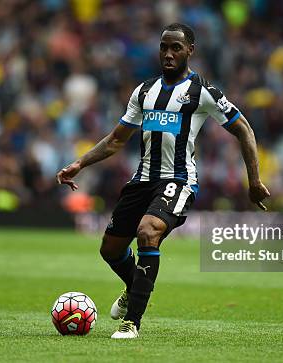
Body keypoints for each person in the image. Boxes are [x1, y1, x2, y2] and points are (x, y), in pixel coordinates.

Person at [56, 23, 270, 339]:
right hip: (142, 180)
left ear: (190, 51)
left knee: (148, 231)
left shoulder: (203, 92)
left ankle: (132, 322)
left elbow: (244, 130)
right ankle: (135, 286)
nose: (168, 54)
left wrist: (253, 180)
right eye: (164, 47)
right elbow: (116, 140)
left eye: (176, 48)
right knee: (110, 249)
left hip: (179, 180)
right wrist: (80, 162)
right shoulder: (144, 91)